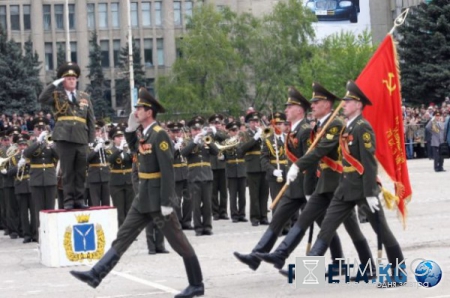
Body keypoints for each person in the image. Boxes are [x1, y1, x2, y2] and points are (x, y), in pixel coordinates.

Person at [70, 88, 204, 298]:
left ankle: (196, 284)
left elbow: (167, 171)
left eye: (140, 108)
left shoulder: (159, 135)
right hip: (143, 197)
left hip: (159, 200)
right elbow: (136, 150)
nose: (136, 111)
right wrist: (131, 130)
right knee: (123, 236)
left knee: (178, 242)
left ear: (149, 111)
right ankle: (96, 274)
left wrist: (168, 201)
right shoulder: (146, 134)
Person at [255, 83, 374, 279]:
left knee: (351, 230)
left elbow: (321, 151)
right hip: (324, 182)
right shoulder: (318, 125)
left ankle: (367, 268)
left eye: (316, 102)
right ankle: (280, 254)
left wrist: (298, 165)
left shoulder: (335, 124)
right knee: (305, 218)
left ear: (327, 104)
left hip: (338, 183)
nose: (312, 105)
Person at [306, 81, 406, 287]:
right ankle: (310, 271)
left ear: (358, 105)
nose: (344, 104)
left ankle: (399, 272)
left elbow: (368, 163)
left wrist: (370, 192)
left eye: (348, 101)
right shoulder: (347, 126)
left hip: (362, 188)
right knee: (327, 227)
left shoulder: (363, 127)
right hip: (344, 188)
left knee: (382, 231)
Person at [233, 86, 316, 271]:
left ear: (300, 110)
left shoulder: (304, 131)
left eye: (290, 106)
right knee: (278, 219)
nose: (285, 109)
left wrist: (311, 191)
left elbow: (311, 162)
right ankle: (256, 256)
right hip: (294, 187)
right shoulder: (294, 131)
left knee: (325, 229)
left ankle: (335, 265)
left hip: (307, 187)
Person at [39, 62, 95, 210]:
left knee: (81, 172)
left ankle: (79, 199)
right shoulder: (57, 96)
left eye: (73, 78)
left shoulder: (84, 96)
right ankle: (69, 200)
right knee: (68, 172)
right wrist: (53, 84)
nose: (71, 80)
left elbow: (91, 119)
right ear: (63, 81)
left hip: (81, 137)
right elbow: (42, 98)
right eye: (68, 78)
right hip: (64, 137)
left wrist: (91, 140)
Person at [181, 116, 219, 236]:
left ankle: (207, 226)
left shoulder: (206, 139)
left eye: (199, 129)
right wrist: (194, 141)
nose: (197, 132)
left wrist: (208, 140)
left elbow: (216, 152)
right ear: (191, 131)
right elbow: (184, 153)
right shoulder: (187, 141)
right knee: (196, 205)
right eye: (194, 130)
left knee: (207, 204)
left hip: (207, 175)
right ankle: (198, 227)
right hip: (194, 176)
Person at [23, 117, 58, 242]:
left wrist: (51, 145)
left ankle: (52, 234)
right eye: (39, 129)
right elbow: (26, 154)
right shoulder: (32, 143)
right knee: (39, 209)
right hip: (37, 179)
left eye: (43, 128)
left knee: (50, 208)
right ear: (35, 131)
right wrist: (38, 141)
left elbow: (59, 155)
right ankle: (40, 235)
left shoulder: (51, 142)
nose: (41, 130)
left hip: (49, 178)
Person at [240, 112, 270, 226]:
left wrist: (263, 136)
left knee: (264, 193)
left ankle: (264, 216)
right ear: (248, 123)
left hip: (264, 166)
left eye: (257, 122)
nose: (255, 124)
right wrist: (255, 137)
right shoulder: (244, 133)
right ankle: (255, 217)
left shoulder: (264, 133)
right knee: (254, 194)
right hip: (252, 166)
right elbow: (243, 148)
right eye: (252, 122)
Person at [9, 134, 35, 243]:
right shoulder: (14, 158)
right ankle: (26, 234)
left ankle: (35, 234)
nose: (23, 147)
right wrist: (18, 166)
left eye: (24, 145)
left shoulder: (32, 155)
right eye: (21, 145)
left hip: (32, 185)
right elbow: (10, 172)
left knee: (34, 212)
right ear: (18, 147)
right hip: (20, 186)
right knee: (23, 213)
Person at [108, 125, 134, 227]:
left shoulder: (128, 149)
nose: (120, 139)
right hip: (116, 182)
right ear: (114, 140)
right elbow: (110, 160)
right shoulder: (110, 149)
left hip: (128, 181)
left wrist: (128, 151)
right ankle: (121, 230)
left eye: (122, 136)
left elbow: (135, 161)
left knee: (129, 207)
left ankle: (128, 230)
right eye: (118, 137)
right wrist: (119, 150)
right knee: (119, 207)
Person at [168, 122, 193, 230]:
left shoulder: (185, 142)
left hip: (186, 172)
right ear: (169, 133)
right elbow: (167, 158)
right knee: (176, 200)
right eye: (174, 132)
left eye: (178, 131)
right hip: (175, 173)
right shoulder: (166, 143)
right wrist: (174, 148)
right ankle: (177, 222)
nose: (176, 134)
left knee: (189, 199)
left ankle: (187, 221)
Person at [223, 121, 247, 223]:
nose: (235, 132)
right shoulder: (225, 143)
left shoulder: (242, 142)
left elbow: (243, 152)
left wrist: (237, 142)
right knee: (233, 195)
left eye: (236, 130)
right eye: (232, 130)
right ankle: (234, 215)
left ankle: (242, 214)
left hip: (241, 169)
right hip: (231, 170)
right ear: (228, 132)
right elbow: (222, 157)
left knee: (242, 195)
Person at [208, 114, 229, 220]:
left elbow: (225, 139)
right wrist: (212, 132)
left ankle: (224, 211)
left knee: (224, 191)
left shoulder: (223, 134)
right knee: (213, 191)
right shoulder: (207, 135)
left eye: (218, 123)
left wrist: (216, 132)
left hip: (222, 165)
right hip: (212, 164)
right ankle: (215, 212)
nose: (216, 125)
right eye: (214, 123)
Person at [87, 120, 111, 206]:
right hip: (94, 175)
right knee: (95, 203)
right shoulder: (88, 144)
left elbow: (110, 158)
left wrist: (106, 147)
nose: (96, 133)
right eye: (95, 131)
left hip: (105, 175)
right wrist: (96, 149)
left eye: (98, 131)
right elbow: (87, 159)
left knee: (106, 203)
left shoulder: (104, 142)